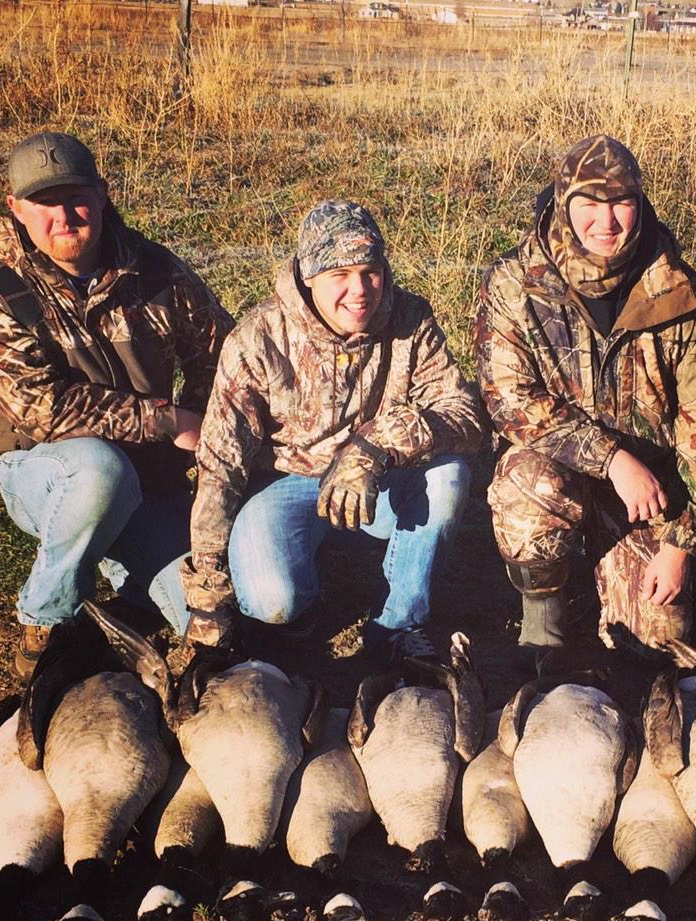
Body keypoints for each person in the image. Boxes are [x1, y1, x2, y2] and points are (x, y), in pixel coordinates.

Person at [0, 131, 232, 678]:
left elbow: (223, 354)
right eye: (44, 202)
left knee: (217, 618)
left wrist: (209, 436)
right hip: (45, 470)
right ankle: (47, 617)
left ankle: (122, 576)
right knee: (100, 474)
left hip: (148, 479)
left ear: (103, 194)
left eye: (75, 197)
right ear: (15, 207)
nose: (63, 216)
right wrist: (169, 420)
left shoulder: (156, 270)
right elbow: (41, 407)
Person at [181, 199, 484, 665]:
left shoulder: (410, 319)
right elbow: (220, 464)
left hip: (381, 481)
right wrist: (207, 595)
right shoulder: (256, 338)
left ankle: (399, 625)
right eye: (340, 275)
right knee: (271, 603)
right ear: (308, 276)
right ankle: (304, 602)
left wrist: (374, 446)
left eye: (370, 272)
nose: (360, 290)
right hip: (286, 483)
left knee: (448, 476)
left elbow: (464, 414)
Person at [475, 135, 696, 666]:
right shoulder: (515, 283)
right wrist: (611, 459)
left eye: (621, 202)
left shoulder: (679, 291)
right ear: (563, 203)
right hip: (559, 470)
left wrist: (681, 542)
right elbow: (508, 400)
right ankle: (544, 621)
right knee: (526, 484)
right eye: (589, 204)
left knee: (659, 638)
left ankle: (605, 577)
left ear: (640, 203)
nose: (606, 220)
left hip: (649, 491)